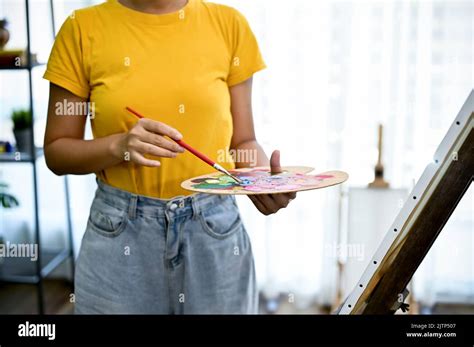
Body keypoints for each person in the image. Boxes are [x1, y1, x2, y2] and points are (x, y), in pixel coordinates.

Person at [43, 0, 296, 314]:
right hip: (118, 233)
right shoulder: (81, 28)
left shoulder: (229, 25)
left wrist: (259, 181)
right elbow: (56, 151)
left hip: (214, 230)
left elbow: (243, 141)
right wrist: (118, 146)